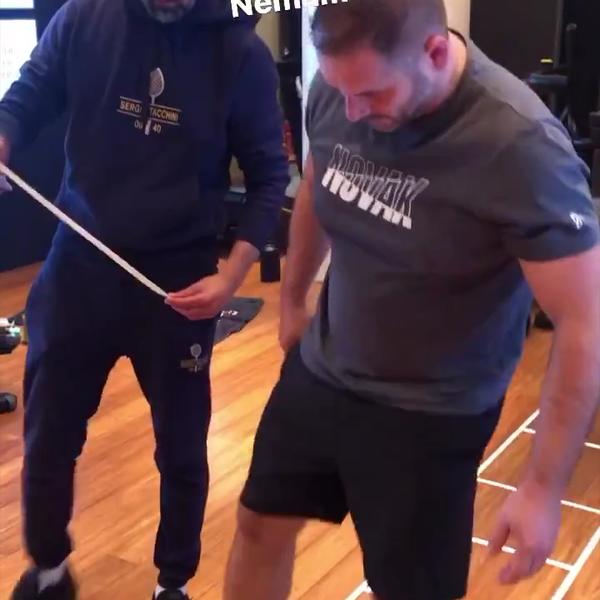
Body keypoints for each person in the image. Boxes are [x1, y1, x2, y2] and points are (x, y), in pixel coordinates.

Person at [223, 1, 600, 599]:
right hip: (324, 369)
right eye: (342, 91)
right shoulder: (340, 88)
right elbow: (318, 183)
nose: (352, 111)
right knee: (258, 526)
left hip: (430, 412)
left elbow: (584, 324)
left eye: (372, 94)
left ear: (435, 51)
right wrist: (292, 299)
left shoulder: (518, 145)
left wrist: (542, 489)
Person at [0, 0, 289, 599]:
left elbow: (268, 179)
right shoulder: (84, 16)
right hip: (80, 260)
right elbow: (28, 94)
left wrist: (231, 277)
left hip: (178, 278)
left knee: (181, 447)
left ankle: (172, 583)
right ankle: (49, 569)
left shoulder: (241, 51)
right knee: (49, 433)